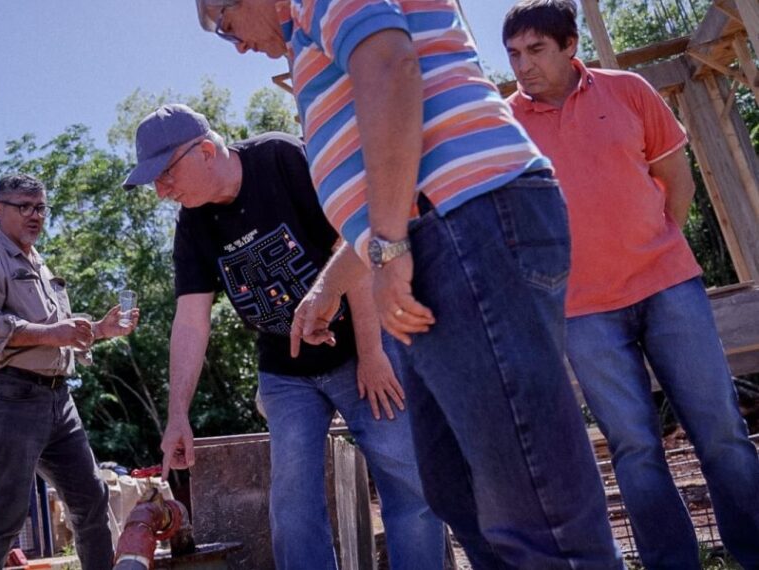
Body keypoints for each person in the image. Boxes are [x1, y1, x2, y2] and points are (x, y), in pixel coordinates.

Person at [192, 1, 622, 567]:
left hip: (463, 221)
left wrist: (390, 246)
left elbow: (393, 70)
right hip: (438, 232)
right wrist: (332, 284)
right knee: (451, 484)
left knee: (527, 488)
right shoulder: (305, 31)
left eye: (226, 27)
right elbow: (375, 171)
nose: (239, 45)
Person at [125, 104, 445, 570]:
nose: (161, 190)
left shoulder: (280, 159)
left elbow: (351, 245)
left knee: (408, 480)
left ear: (207, 152)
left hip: (362, 346)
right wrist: (177, 414)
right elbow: (191, 319)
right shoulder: (193, 221)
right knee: (292, 506)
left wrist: (375, 353)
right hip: (286, 373)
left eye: (166, 174)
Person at [502, 1, 759, 566]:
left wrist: (654, 245)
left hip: (668, 287)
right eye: (514, 54)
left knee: (720, 431)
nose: (523, 65)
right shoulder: (505, 126)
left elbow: (675, 178)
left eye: (536, 50)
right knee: (635, 450)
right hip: (582, 311)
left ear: (570, 46)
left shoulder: (628, 91)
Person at [0, 173, 139, 570]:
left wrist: (100, 330)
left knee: (91, 500)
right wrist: (54, 332)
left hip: (58, 400)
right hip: (11, 397)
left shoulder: (39, 263)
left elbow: (58, 333)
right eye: (23, 207)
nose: (34, 215)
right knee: (3, 514)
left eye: (40, 207)